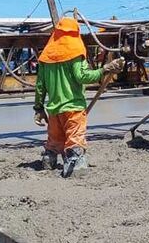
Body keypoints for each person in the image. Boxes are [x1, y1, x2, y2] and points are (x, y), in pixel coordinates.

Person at [33, 17, 123, 177]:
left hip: (54, 109)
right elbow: (82, 76)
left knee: (54, 140)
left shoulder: (47, 54)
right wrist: (104, 69)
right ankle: (76, 166)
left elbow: (40, 85)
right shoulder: (74, 48)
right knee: (75, 139)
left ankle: (49, 160)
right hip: (73, 107)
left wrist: (39, 108)